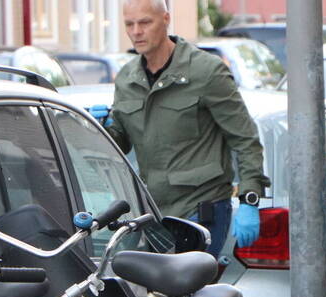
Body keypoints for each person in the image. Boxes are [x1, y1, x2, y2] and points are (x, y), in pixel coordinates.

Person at [104, 0, 269, 258]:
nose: (136, 31)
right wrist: (99, 127)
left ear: (166, 19)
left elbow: (245, 139)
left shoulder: (206, 71)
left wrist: (250, 198)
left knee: (187, 294)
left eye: (145, 22)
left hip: (201, 208)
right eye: (129, 24)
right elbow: (120, 143)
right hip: (153, 212)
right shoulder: (127, 79)